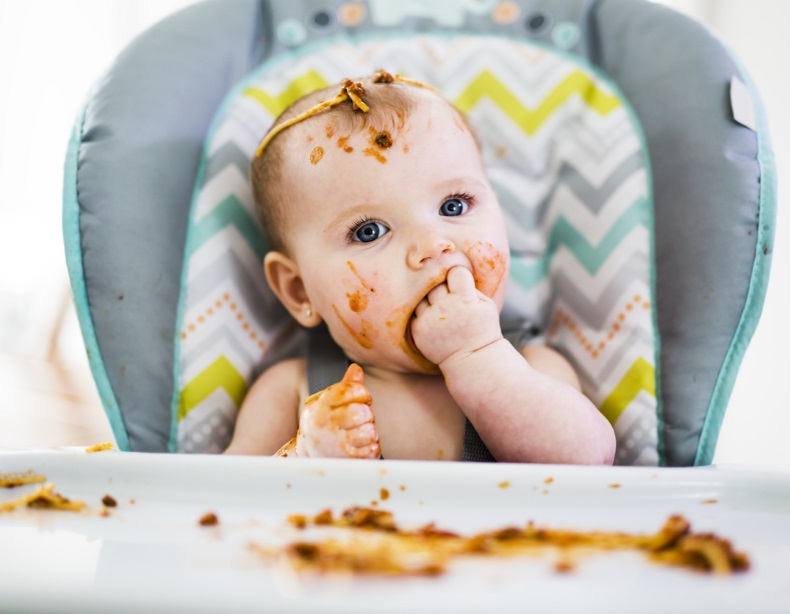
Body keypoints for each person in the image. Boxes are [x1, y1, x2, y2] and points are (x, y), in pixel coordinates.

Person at [223, 71, 616, 464]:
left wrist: (478, 355)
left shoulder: (531, 368)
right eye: (369, 231)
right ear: (299, 291)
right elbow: (220, 499)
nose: (432, 247)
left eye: (454, 206)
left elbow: (589, 462)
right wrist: (304, 458)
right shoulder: (292, 390)